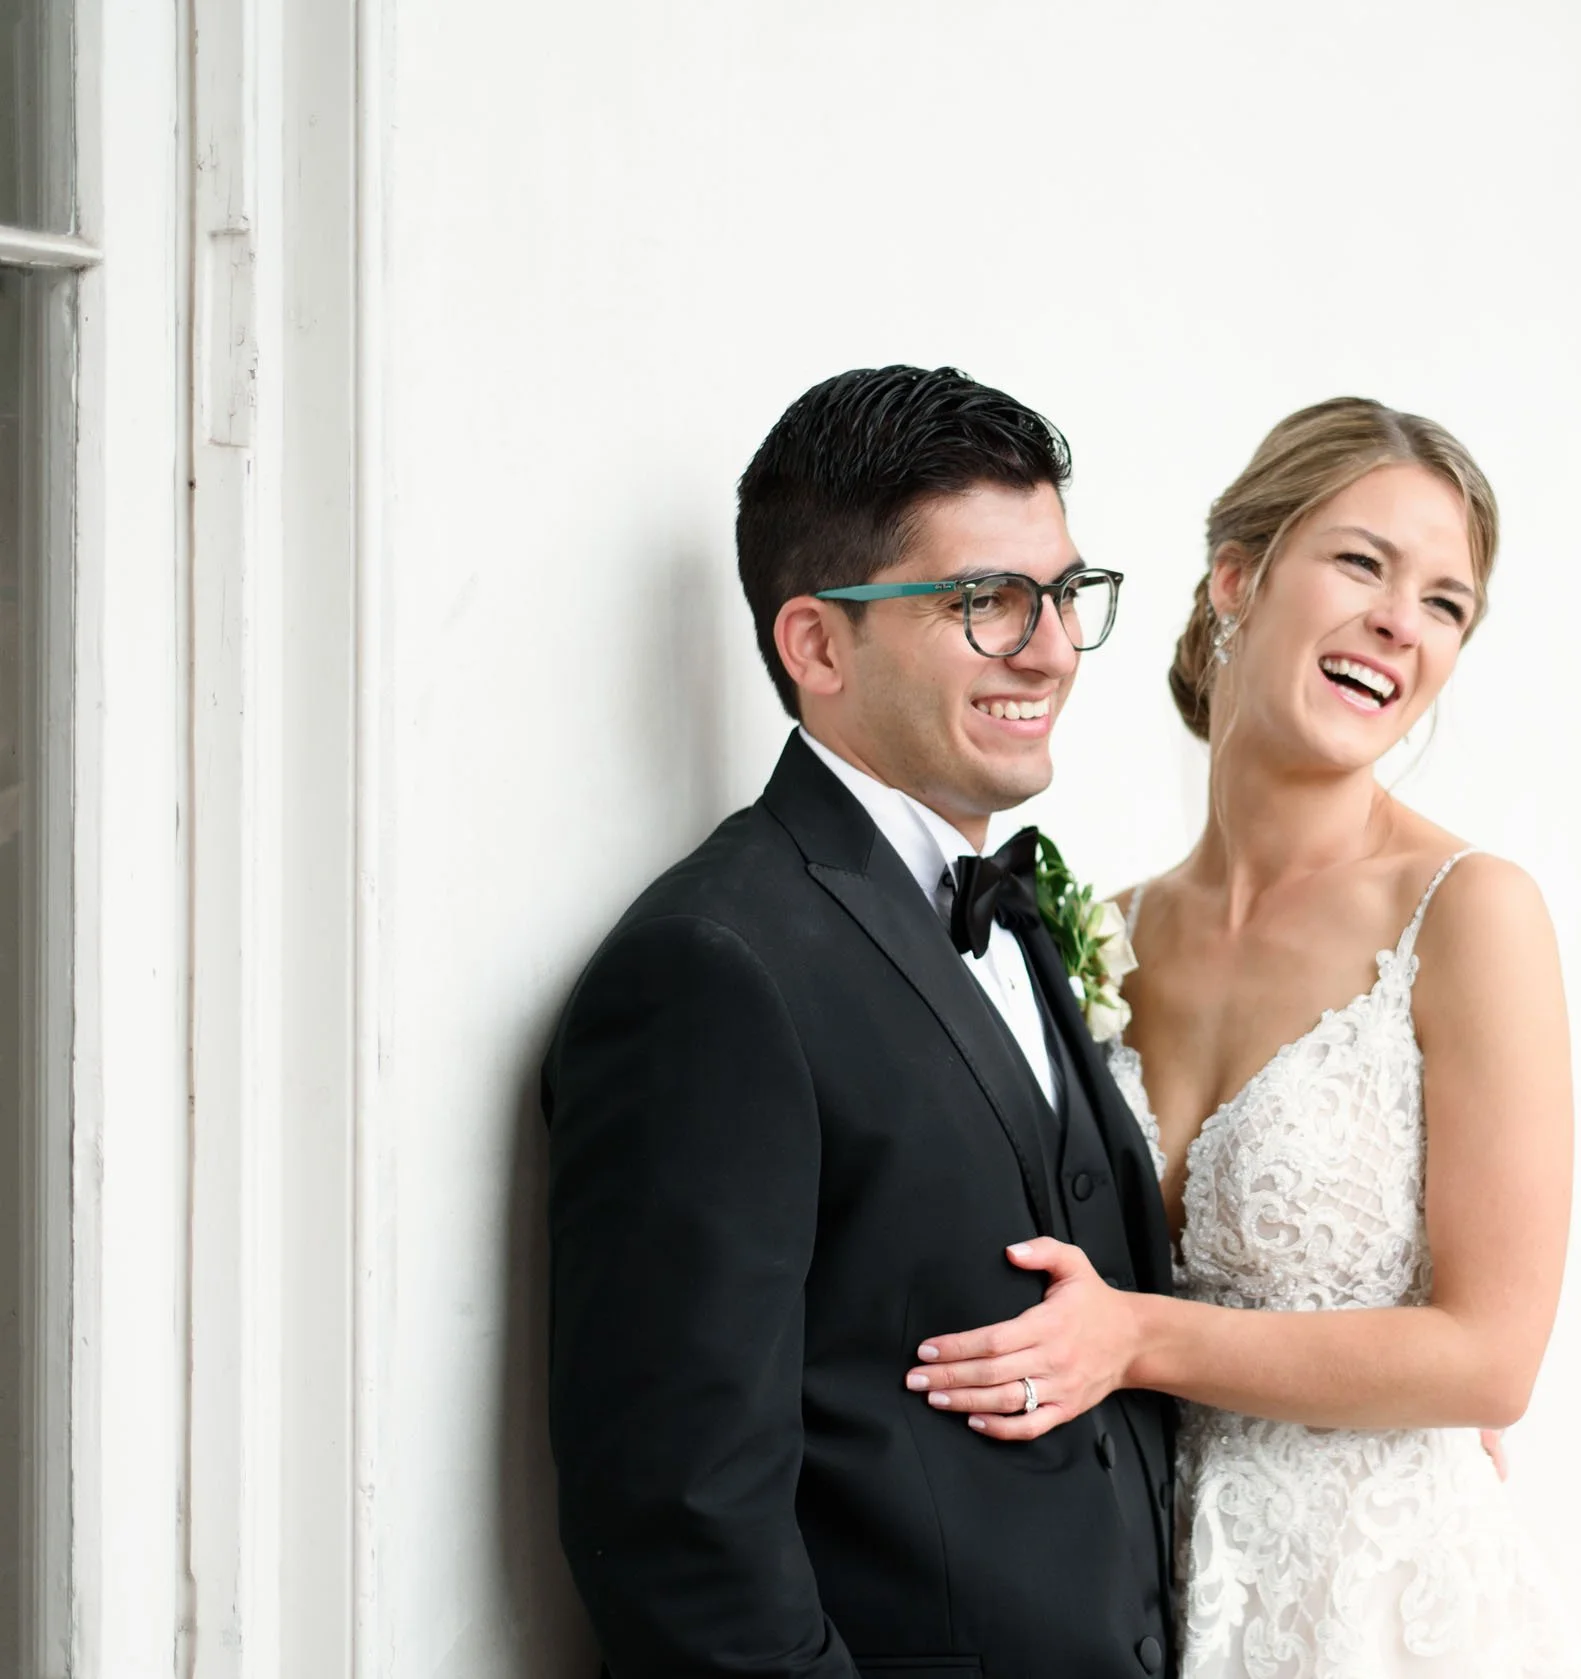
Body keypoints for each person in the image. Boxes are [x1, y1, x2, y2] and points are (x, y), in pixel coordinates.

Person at [905, 398, 1581, 1675]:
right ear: (1235, 574)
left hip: (1375, 1611)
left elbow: (1491, 1355)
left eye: (1447, 602)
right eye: (1363, 562)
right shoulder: (1094, 936)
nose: (1404, 620)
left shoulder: (1468, 916)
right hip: (1138, 1592)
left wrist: (1140, 1337)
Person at [541, 365, 1178, 1678]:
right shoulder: (710, 970)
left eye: (1062, 594)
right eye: (987, 602)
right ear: (818, 644)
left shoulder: (1015, 912)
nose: (1052, 647)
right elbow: (681, 1524)